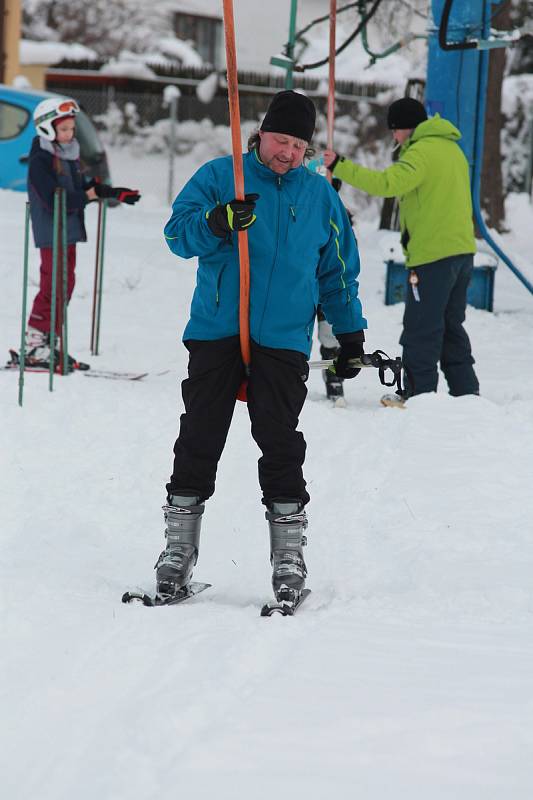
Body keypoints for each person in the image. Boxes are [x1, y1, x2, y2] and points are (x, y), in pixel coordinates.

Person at [158, 90, 367, 604]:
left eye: (299, 145)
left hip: (283, 337)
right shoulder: (220, 176)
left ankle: (288, 554)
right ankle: (177, 551)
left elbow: (338, 272)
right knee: (199, 434)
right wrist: (218, 221)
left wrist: (350, 333)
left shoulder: (321, 197)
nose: (289, 153)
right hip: (218, 327)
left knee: (279, 441)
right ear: (260, 133)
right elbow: (177, 234)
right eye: (281, 140)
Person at [323, 97, 479, 407]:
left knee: (421, 328)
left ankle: (417, 395)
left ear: (405, 128)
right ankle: (467, 395)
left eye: (395, 131)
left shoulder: (421, 152)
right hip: (462, 254)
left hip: (432, 257)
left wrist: (340, 166)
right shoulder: (452, 149)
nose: (394, 137)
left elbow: (388, 184)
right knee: (450, 327)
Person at [23, 97, 140, 370]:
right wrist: (87, 195)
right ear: (47, 129)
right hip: (52, 231)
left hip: (70, 230)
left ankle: (50, 342)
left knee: (66, 284)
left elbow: (83, 186)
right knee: (53, 285)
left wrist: (110, 192)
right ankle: (34, 344)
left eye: (71, 129)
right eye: (63, 129)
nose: (69, 134)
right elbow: (55, 199)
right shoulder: (41, 158)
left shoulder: (68, 153)